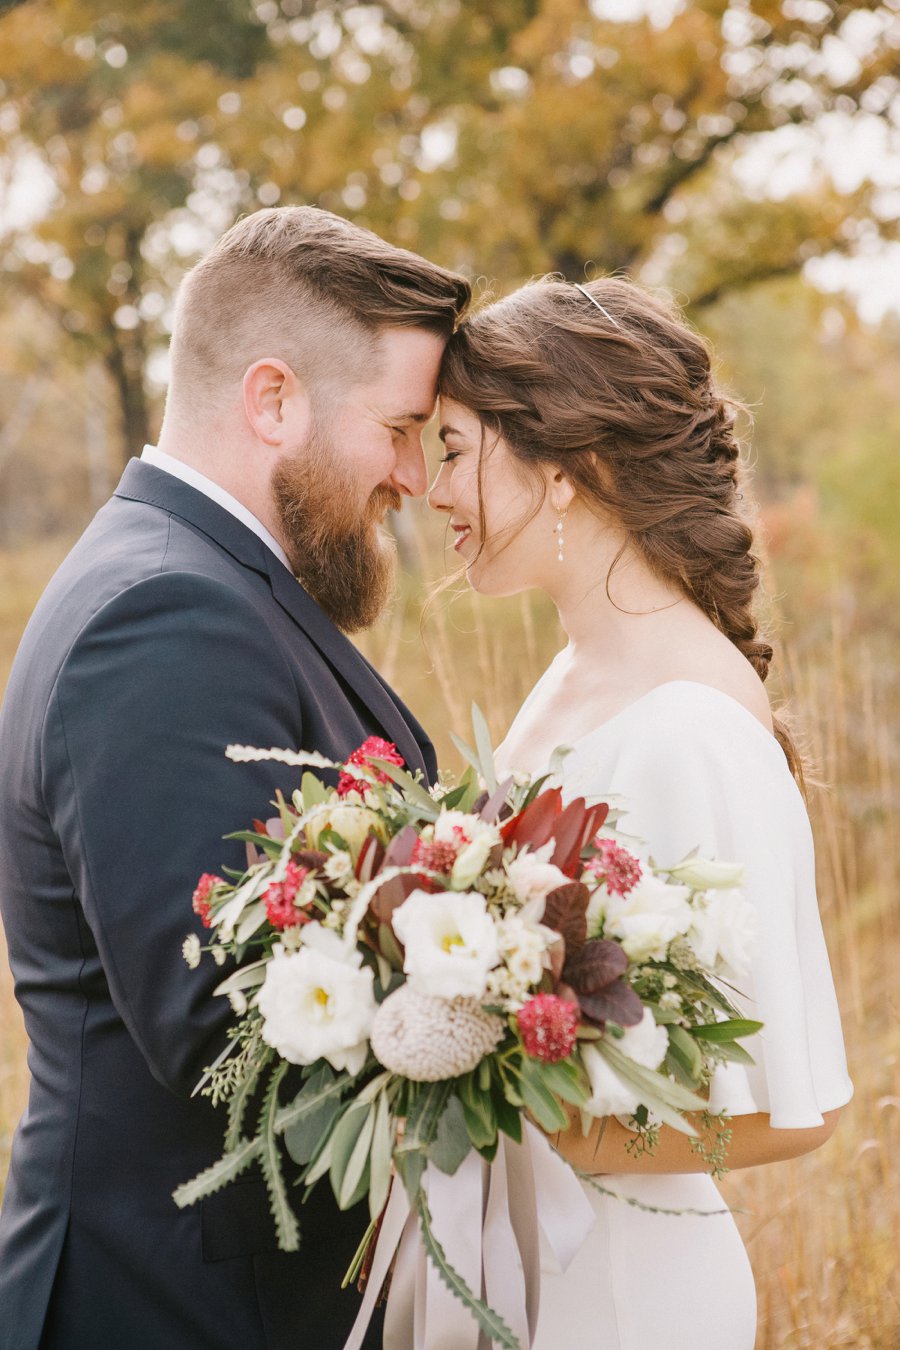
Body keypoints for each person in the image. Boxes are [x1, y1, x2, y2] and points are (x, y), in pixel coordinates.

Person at [0, 206, 469, 1350]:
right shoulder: (166, 619)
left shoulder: (206, 583)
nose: (412, 473)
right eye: (400, 426)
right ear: (273, 400)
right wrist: (504, 997)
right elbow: (229, 1037)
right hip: (168, 1302)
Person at [427, 275, 853, 1349]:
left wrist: (521, 1119)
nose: (427, 489)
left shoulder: (689, 727)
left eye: (452, 450)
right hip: (529, 1269)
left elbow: (788, 1118)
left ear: (565, 467)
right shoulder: (574, 669)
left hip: (620, 1297)